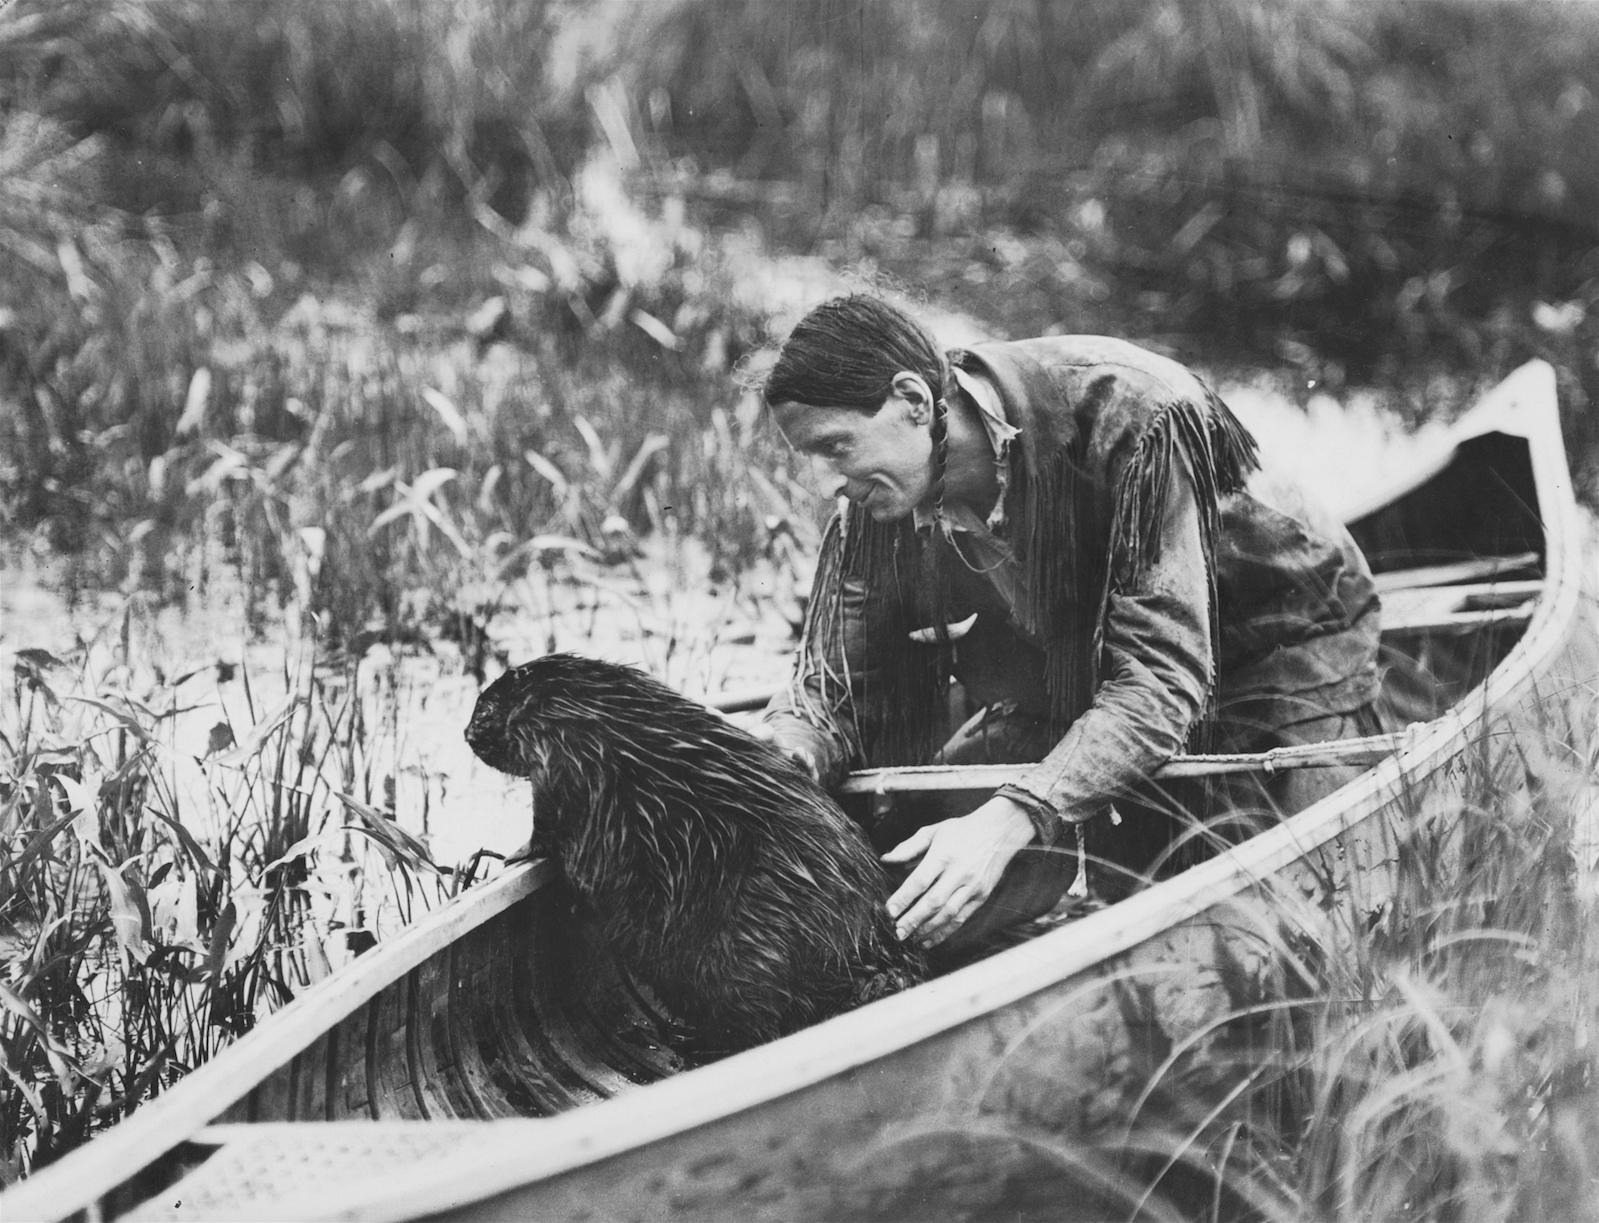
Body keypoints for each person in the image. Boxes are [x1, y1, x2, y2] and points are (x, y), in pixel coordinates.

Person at [756, 294, 1381, 957]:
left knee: (1281, 927)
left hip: (1275, 633)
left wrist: (1013, 814)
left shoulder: (1136, 415)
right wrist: (780, 754)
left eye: (833, 447)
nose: (826, 483)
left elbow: (1160, 678)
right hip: (1084, 653)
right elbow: (834, 687)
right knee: (900, 886)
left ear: (913, 401)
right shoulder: (879, 495)